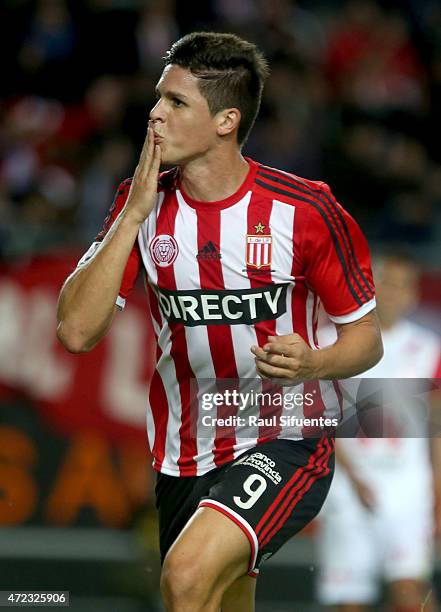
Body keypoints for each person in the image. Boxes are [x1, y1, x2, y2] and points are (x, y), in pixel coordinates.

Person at [56, 32, 383, 612]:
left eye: (177, 102)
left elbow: (366, 339)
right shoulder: (141, 203)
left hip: (288, 436)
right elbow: (77, 333)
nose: (155, 113)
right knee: (217, 599)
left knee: (184, 577)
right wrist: (131, 216)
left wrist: (315, 361)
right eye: (159, 97)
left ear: (226, 120)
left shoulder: (305, 210)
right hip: (184, 451)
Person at [316, 251, 441, 612]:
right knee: (349, 599)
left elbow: (435, 426)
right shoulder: (328, 342)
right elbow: (316, 416)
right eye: (389, 282)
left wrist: (436, 488)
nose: (396, 293)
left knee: (409, 590)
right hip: (346, 483)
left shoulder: (428, 348)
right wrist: (351, 476)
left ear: (414, 294)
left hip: (406, 484)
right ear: (369, 287)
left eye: (405, 285)